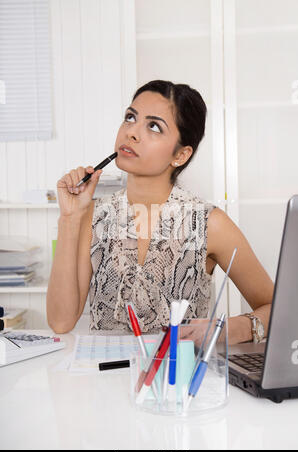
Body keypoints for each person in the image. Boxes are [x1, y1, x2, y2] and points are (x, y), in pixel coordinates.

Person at [47, 80, 274, 345]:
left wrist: (232, 329)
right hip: (104, 381)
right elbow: (61, 321)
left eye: (153, 126)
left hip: (179, 381)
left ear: (180, 155)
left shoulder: (208, 223)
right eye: (130, 117)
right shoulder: (95, 215)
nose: (132, 132)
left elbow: (276, 308)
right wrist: (70, 218)